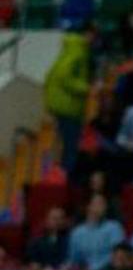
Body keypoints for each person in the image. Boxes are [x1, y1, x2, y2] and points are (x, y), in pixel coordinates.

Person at [44, 28, 94, 176]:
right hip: (69, 107)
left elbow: (51, 75)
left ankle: (59, 174)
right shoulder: (78, 51)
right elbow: (63, 76)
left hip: (62, 105)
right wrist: (86, 88)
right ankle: (65, 178)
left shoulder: (69, 49)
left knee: (63, 143)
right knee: (70, 146)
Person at [68, 195, 125, 270]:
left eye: (103, 205)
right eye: (97, 204)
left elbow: (118, 255)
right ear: (88, 207)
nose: (101, 207)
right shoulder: (77, 232)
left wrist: (94, 269)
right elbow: (74, 260)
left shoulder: (114, 227)